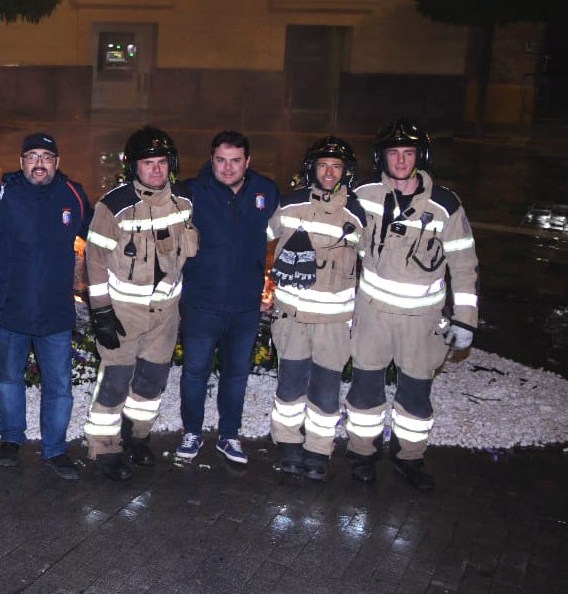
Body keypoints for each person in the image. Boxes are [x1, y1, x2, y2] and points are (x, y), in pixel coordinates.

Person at [347, 120, 478, 491]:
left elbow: (464, 264)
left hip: (422, 322)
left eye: (408, 153)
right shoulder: (364, 194)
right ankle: (362, 454)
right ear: (382, 157)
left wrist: (465, 320)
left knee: (416, 396)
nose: (401, 161)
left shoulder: (445, 205)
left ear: (420, 156)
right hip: (372, 316)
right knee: (365, 390)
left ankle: (410, 459)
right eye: (393, 153)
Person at [83, 126, 198, 481]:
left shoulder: (184, 201)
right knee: (116, 381)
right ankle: (104, 446)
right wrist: (101, 310)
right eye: (148, 163)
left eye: (162, 162)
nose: (156, 170)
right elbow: (95, 259)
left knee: (151, 381)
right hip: (123, 312)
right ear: (134, 167)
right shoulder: (113, 206)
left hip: (165, 314)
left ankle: (138, 437)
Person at [0, 132, 90, 480]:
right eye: (32, 156)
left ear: (57, 163)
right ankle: (11, 439)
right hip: (13, 309)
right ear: (22, 162)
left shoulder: (74, 195)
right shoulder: (4, 194)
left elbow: (102, 235)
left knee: (59, 386)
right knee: (9, 379)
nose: (39, 163)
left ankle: (55, 449)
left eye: (46, 156)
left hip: (56, 312)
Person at [176, 130, 279, 465]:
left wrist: (276, 282)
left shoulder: (266, 191)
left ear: (247, 161)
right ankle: (192, 431)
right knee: (195, 371)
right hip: (202, 302)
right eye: (221, 160)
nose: (228, 167)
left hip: (245, 305)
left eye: (236, 161)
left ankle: (229, 435)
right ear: (211, 159)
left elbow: (287, 234)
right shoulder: (192, 193)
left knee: (236, 374)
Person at [267, 137, 366, 480]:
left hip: (333, 324)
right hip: (293, 319)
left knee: (326, 392)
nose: (329, 172)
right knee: (290, 388)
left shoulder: (358, 213)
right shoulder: (290, 204)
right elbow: (257, 238)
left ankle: (319, 451)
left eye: (336, 166)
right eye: (323, 165)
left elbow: (375, 261)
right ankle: (288, 445)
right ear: (311, 168)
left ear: (346, 172)